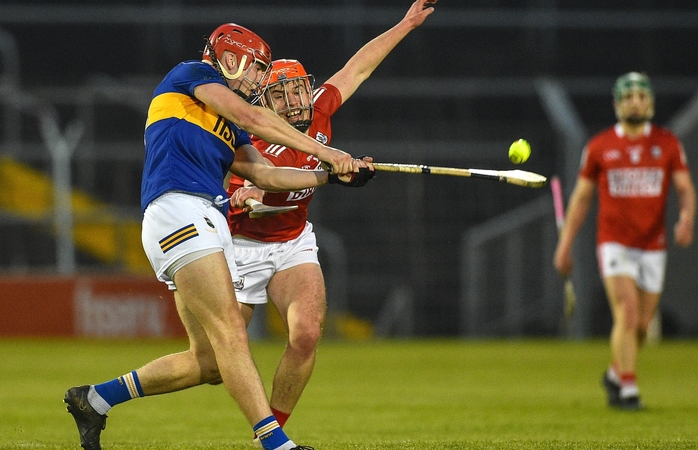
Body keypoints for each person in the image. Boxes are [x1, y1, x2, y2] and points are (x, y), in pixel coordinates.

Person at [63, 23, 373, 450]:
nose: (258, 80)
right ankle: (275, 443)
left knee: (208, 362)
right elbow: (252, 115)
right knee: (231, 330)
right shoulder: (190, 76)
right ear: (232, 58)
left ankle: (95, 399)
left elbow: (263, 172)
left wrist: (329, 177)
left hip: (206, 216)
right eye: (256, 69)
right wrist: (328, 153)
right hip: (179, 211)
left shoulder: (229, 125)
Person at [226, 0, 437, 439]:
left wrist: (406, 23)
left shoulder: (319, 110)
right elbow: (261, 188)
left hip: (293, 242)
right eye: (282, 95)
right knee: (209, 364)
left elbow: (358, 67)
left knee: (305, 335)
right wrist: (253, 192)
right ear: (264, 102)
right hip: (242, 249)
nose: (296, 101)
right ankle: (104, 395)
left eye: (299, 89)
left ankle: (272, 435)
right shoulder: (254, 141)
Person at [553, 72, 697, 410]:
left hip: (653, 244)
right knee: (628, 315)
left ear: (650, 103)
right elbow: (581, 199)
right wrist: (565, 245)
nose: (635, 101)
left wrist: (687, 218)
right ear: (618, 103)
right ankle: (628, 390)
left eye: (642, 96)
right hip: (614, 243)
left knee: (643, 326)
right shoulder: (600, 147)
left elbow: (685, 188)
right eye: (629, 96)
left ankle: (615, 373)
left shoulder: (668, 144)